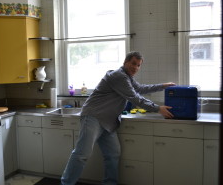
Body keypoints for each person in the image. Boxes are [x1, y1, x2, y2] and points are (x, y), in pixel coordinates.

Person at [60, 51, 176, 185]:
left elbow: (141, 88)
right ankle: (66, 183)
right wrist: (158, 108)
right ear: (125, 62)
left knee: (113, 154)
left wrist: (163, 86)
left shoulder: (128, 78)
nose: (135, 68)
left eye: (138, 65)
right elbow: (135, 97)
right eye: (133, 63)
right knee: (81, 155)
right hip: (94, 116)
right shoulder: (118, 76)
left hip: (108, 122)